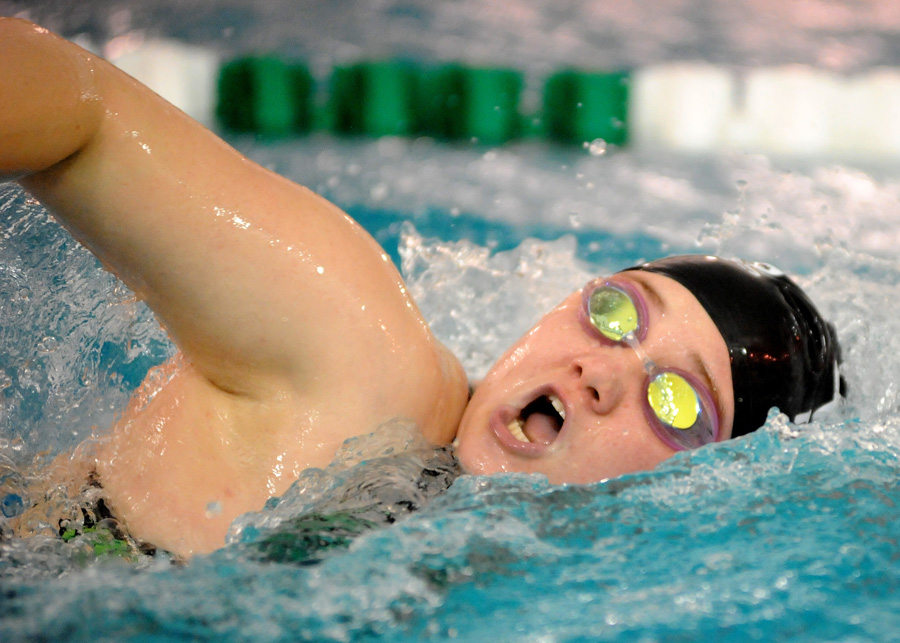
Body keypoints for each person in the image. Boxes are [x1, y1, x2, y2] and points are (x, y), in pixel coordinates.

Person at [0, 19, 843, 558]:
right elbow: (87, 116)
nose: (602, 369)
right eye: (617, 312)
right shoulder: (360, 360)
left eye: (675, 400)